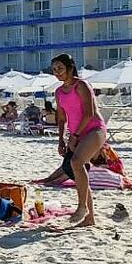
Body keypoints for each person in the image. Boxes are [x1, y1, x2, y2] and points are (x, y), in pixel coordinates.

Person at [52, 53, 106, 226]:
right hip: (76, 134)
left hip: (94, 129)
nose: (57, 72)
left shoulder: (81, 85)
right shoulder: (59, 92)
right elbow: (61, 119)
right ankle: (89, 218)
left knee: (76, 163)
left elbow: (89, 114)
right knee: (79, 172)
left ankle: (82, 207)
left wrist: (74, 137)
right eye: (54, 69)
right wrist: (61, 139)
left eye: (60, 68)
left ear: (70, 67)